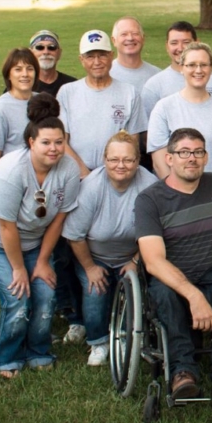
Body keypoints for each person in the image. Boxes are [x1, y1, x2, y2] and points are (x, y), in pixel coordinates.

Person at [136, 128, 212, 400]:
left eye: (198, 152)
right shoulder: (150, 200)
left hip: (209, 270)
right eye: (183, 152)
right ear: (169, 159)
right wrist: (193, 295)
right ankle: (183, 372)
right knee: (166, 298)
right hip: (169, 276)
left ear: (205, 158)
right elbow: (154, 261)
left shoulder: (211, 184)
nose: (191, 158)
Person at [0, 94, 81, 378]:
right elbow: (6, 227)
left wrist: (42, 261)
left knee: (45, 292)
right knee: (17, 295)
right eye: (45, 142)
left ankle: (38, 350)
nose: (53, 149)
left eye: (59, 142)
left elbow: (59, 218)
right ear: (31, 142)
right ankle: (6, 358)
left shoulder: (68, 169)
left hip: (33, 241)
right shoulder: (10, 172)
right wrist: (19, 269)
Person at [63, 131, 156, 366]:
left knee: (133, 295)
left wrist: (135, 261)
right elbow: (75, 236)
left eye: (128, 160)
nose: (120, 165)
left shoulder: (149, 187)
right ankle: (98, 342)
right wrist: (89, 267)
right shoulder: (91, 187)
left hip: (133, 254)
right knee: (96, 292)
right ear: (105, 160)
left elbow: (155, 233)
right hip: (94, 256)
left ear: (137, 161)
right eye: (114, 159)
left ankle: (124, 338)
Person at [148, 42, 212, 238]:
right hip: (179, 208)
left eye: (204, 65)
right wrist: (180, 201)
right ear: (181, 68)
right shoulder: (164, 108)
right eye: (191, 65)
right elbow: (159, 160)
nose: (198, 70)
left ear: (211, 68)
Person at [58, 29, 146, 179]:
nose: (97, 62)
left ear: (111, 56)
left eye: (102, 55)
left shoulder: (129, 93)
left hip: (117, 175)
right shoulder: (67, 92)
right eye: (90, 57)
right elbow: (61, 141)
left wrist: (112, 173)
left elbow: (133, 143)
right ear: (81, 60)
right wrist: (85, 174)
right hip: (76, 175)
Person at [141, 21, 212, 118]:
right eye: (174, 43)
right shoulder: (154, 85)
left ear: (197, 43)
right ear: (167, 46)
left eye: (186, 42)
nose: (180, 48)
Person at [0, 49, 39, 173]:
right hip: (13, 179)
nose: (25, 74)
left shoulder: (43, 102)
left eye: (29, 68)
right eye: (18, 69)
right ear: (8, 74)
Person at [109, 16, 160, 94]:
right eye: (124, 34)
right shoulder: (105, 74)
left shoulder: (157, 75)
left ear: (143, 39)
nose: (130, 38)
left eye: (135, 33)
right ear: (114, 40)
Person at [29, 30, 77, 96]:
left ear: (59, 53)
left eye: (51, 47)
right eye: (40, 47)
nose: (46, 52)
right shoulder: (22, 85)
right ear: (31, 53)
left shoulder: (73, 86)